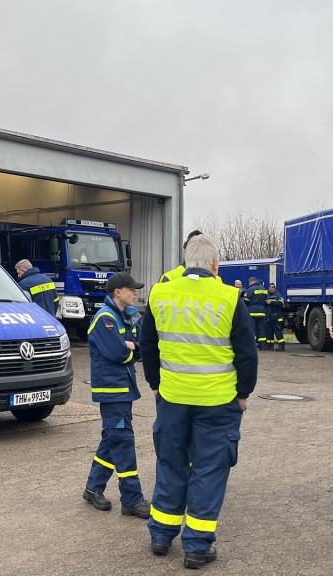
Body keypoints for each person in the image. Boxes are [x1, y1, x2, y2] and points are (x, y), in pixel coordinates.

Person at [140, 233, 258, 569]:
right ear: (215, 264)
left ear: (186, 261)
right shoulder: (230, 297)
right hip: (218, 401)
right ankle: (197, 546)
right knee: (209, 469)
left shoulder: (160, 293)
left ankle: (161, 535)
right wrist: (243, 393)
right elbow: (247, 354)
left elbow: (147, 345)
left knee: (170, 464)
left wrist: (155, 384)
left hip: (173, 398)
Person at [83, 271, 151, 519]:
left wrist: (134, 347)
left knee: (112, 440)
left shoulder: (120, 316)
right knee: (122, 441)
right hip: (113, 392)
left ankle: (93, 488)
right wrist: (132, 350)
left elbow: (135, 345)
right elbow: (119, 353)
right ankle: (132, 499)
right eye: (131, 289)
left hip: (121, 389)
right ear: (117, 292)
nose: (136, 293)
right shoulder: (106, 319)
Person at [245, 277, 268, 350]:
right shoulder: (264, 290)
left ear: (251, 282)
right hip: (262, 311)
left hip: (252, 311)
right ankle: (263, 346)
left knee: (253, 329)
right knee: (261, 329)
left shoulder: (250, 289)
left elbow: (246, 300)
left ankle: (253, 346)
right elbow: (266, 300)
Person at [264, 283, 286, 351]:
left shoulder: (278, 295)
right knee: (269, 332)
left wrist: (271, 302)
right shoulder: (266, 295)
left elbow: (281, 303)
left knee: (278, 332)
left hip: (276, 317)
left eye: (272, 287)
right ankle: (269, 345)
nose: (271, 288)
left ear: (275, 288)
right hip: (268, 317)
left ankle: (281, 346)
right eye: (270, 287)